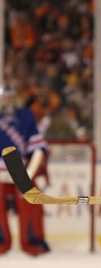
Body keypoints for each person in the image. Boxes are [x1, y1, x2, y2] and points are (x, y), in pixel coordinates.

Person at [0, 85, 49, 256]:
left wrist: (30, 173)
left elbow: (37, 148)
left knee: (31, 204)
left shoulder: (25, 116)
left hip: (18, 166)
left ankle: (32, 241)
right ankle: (1, 242)